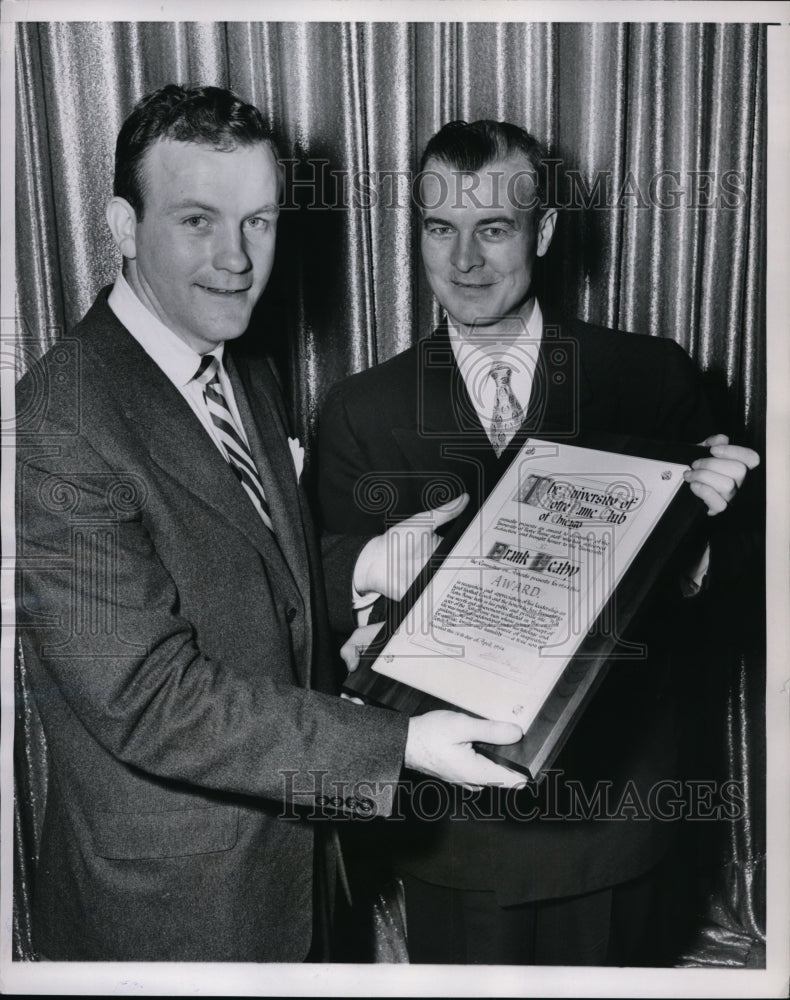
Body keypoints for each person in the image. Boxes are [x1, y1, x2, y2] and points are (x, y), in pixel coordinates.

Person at [14, 91, 529, 963]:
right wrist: (399, 742)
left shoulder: (235, 364)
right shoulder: (58, 422)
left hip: (298, 872)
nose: (236, 259)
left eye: (259, 221)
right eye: (197, 220)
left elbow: (258, 579)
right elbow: (147, 699)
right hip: (176, 913)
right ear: (124, 226)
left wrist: (367, 564)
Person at [317, 119, 760, 965]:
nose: (464, 261)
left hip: (616, 824)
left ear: (544, 231)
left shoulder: (650, 376)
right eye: (439, 230)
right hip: (452, 839)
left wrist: (696, 548)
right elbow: (318, 590)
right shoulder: (360, 410)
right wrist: (369, 596)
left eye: (494, 228)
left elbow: (738, 594)